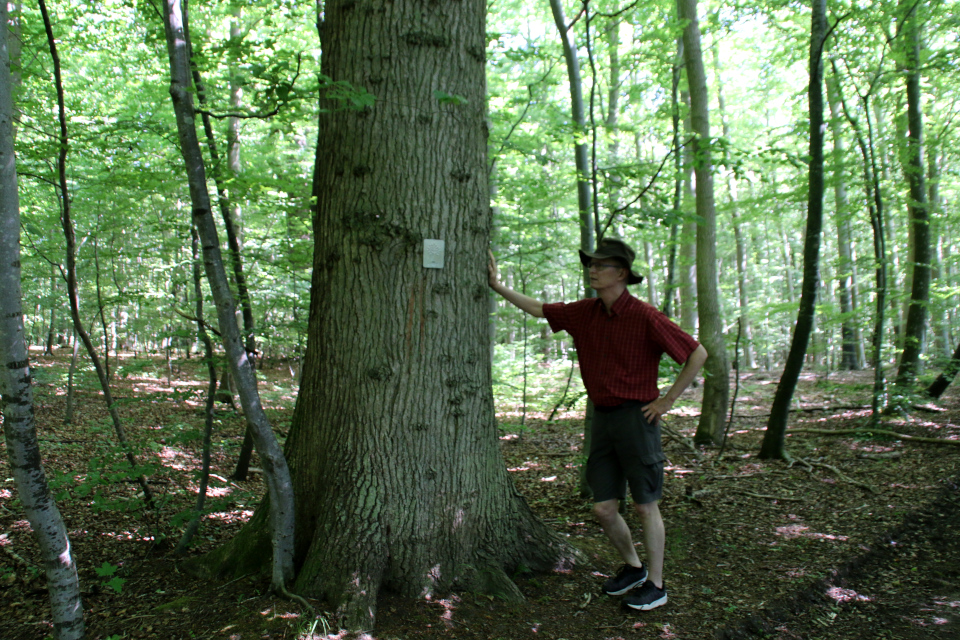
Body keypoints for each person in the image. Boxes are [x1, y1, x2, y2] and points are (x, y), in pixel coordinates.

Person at [488, 237, 708, 611]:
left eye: (601, 265)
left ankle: (657, 584)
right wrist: (496, 285)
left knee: (645, 505)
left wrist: (667, 400)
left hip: (638, 418)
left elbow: (697, 353)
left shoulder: (645, 316)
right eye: (590, 264)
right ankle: (634, 568)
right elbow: (539, 309)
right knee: (604, 508)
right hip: (603, 420)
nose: (592, 269)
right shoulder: (585, 312)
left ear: (621, 273)